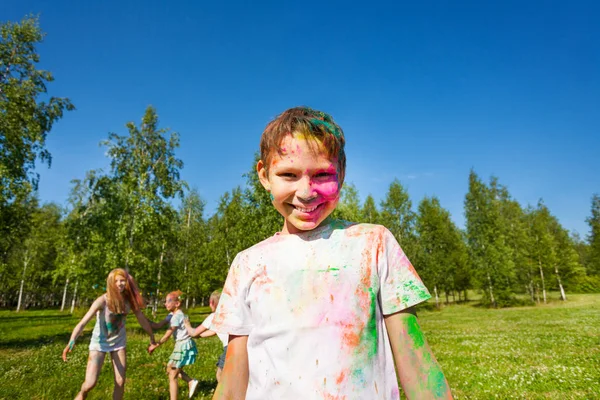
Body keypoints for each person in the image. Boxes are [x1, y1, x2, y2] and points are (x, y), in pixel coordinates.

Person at [209, 107, 453, 400]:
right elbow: (234, 377)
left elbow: (416, 360)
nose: (306, 191)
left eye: (322, 174)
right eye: (288, 174)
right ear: (264, 175)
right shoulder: (247, 264)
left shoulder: (373, 243)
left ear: (342, 173)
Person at [62, 268, 156, 400]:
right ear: (110, 283)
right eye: (116, 281)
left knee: (120, 381)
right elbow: (83, 322)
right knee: (90, 383)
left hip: (118, 344)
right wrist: (71, 342)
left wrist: (152, 337)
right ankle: (82, 394)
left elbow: (142, 320)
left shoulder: (129, 301)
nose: (119, 284)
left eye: (122, 280)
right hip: (99, 344)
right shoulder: (103, 300)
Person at [148, 290, 199, 400]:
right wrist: (143, 319)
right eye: (165, 301)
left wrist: (156, 345)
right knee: (170, 369)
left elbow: (167, 334)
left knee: (173, 374)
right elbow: (157, 325)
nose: (165, 304)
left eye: (168, 301)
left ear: (177, 304)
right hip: (181, 346)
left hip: (183, 346)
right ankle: (190, 381)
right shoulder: (172, 314)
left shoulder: (177, 316)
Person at [184, 290, 229, 383]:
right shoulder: (229, 314)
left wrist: (187, 324)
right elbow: (214, 331)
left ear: (212, 302)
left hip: (229, 348)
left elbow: (193, 332)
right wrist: (199, 336)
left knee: (220, 375)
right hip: (243, 346)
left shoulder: (214, 316)